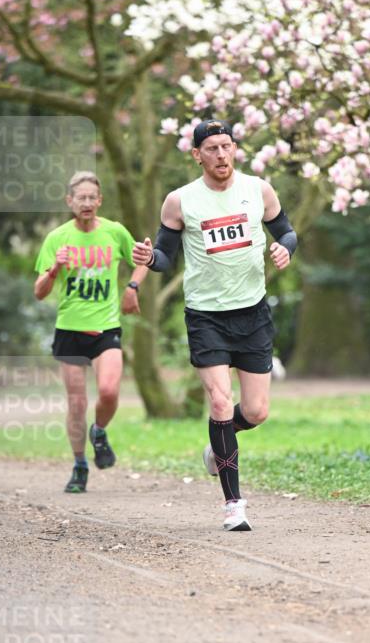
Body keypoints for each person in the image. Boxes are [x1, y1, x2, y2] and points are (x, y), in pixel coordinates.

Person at [132, 119, 297, 531]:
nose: (221, 154)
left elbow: (287, 232)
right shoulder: (180, 201)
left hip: (252, 312)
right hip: (206, 316)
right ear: (197, 155)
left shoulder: (259, 190)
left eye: (226, 146)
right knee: (220, 403)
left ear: (234, 149)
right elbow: (166, 256)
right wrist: (150, 259)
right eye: (212, 148)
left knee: (256, 411)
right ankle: (233, 504)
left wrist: (284, 249)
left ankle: (218, 447)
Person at [34, 171, 148, 493]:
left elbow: (143, 260)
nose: (86, 202)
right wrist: (55, 269)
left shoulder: (114, 232)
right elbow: (39, 292)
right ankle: (80, 465)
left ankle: (98, 431)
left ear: (99, 201)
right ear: (70, 201)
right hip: (69, 330)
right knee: (77, 404)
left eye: (91, 197)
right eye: (80, 198)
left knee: (109, 391)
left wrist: (132, 288)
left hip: (106, 327)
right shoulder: (57, 238)